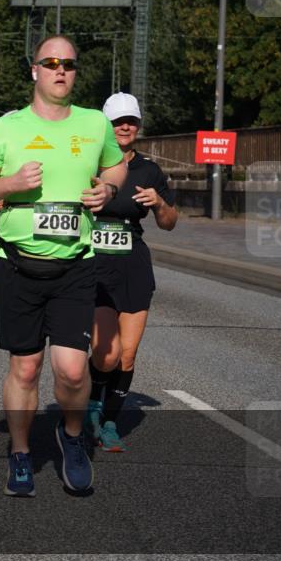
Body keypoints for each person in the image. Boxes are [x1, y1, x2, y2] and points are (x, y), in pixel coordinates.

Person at [0, 35, 127, 495]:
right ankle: (19, 452)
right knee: (27, 368)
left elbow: (116, 168)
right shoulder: (6, 128)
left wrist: (108, 190)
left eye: (69, 65)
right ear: (34, 70)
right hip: (18, 265)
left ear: (76, 72)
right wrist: (11, 183)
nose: (61, 71)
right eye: (50, 63)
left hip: (76, 263)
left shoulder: (95, 124)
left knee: (74, 371)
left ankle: (71, 438)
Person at [87, 93, 177, 452]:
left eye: (132, 121)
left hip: (133, 264)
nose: (125, 126)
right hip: (95, 262)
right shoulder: (90, 163)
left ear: (138, 125)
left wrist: (159, 204)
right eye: (118, 121)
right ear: (106, 126)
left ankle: (109, 422)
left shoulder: (149, 170)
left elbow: (170, 223)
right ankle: (93, 399)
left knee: (127, 354)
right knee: (105, 355)